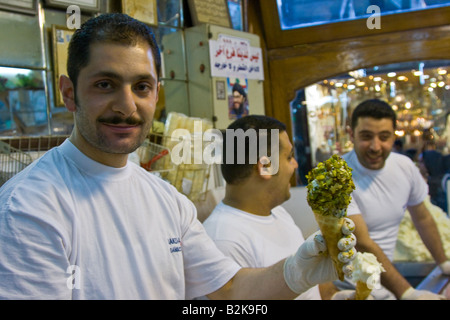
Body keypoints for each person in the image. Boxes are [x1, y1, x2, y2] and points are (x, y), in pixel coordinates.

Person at [0, 13, 351, 300]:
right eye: (105, 84)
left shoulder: (165, 198)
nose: (127, 106)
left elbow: (227, 293)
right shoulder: (28, 208)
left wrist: (297, 271)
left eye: (141, 87)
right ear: (69, 93)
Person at [202, 115, 357, 300]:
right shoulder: (224, 241)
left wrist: (335, 297)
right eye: (289, 157)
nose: (295, 165)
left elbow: (311, 287)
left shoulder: (277, 212)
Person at [335, 98, 450, 300]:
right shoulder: (336, 176)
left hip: (384, 283)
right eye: (366, 136)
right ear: (351, 134)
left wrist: (443, 263)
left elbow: (422, 218)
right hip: (346, 287)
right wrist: (408, 293)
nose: (375, 146)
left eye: (384, 137)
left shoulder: (404, 167)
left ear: (394, 135)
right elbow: (361, 242)